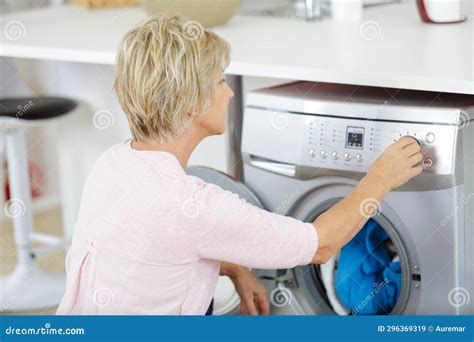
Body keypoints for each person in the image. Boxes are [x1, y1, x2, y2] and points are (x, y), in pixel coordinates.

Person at [56, 15, 423, 315]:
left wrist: (233, 266)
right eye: (219, 81)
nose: (230, 92)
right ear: (191, 104)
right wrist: (379, 178)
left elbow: (158, 246)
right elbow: (322, 246)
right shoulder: (196, 206)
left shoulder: (112, 163)